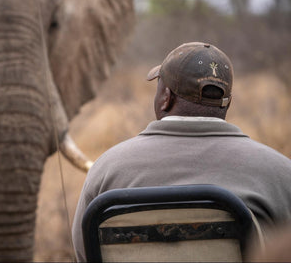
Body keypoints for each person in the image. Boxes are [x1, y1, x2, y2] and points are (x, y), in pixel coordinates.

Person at [72, 42, 291, 262]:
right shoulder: (281, 174)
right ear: (227, 103)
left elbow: (84, 254)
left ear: (166, 97)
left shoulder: (107, 169)